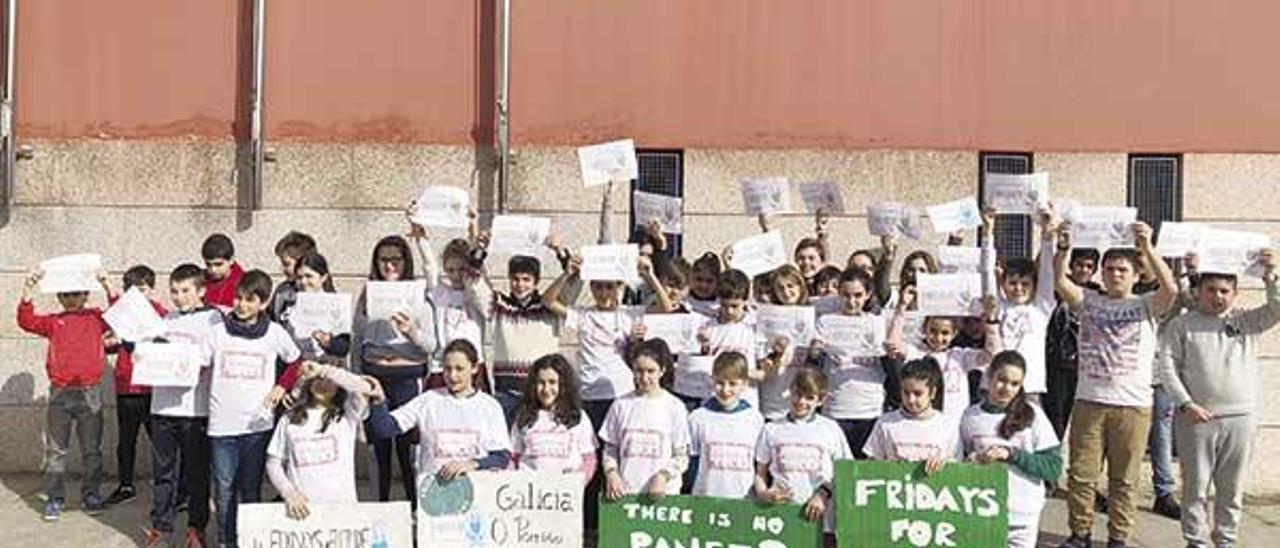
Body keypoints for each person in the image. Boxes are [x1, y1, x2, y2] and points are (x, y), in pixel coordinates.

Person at [1054, 221, 1178, 548]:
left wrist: (1148, 248)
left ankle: (1118, 538)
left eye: (1122, 269)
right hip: (1089, 402)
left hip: (1133, 406)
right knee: (1081, 475)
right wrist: (1064, 247)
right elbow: (1059, 280)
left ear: (1136, 275)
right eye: (1109, 269)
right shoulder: (1089, 300)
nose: (1115, 274)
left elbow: (1172, 290)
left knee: (1124, 480)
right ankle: (1080, 534)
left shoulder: (1146, 304)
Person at [1157, 250, 1279, 548]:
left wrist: (1270, 276)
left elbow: (1277, 308)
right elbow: (1167, 367)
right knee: (1196, 489)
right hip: (1197, 417)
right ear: (1200, 292)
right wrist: (1186, 404)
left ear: (1235, 293)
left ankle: (1226, 541)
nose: (1218, 296)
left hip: (1241, 418)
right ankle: (1196, 542)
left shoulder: (1246, 321)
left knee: (1231, 489)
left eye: (1225, 291)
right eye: (1211, 290)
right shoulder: (1182, 325)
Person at [206, 270, 303, 548]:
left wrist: (281, 386)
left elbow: (295, 361)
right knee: (224, 490)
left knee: (250, 489)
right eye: (238, 298)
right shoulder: (217, 332)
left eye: (250, 300)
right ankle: (226, 541)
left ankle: (249, 540)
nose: (242, 305)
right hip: (221, 426)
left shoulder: (274, 333)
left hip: (257, 426)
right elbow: (195, 361)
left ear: (263, 303)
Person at [17, 268, 111, 521]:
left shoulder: (97, 318)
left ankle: (91, 495)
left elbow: (120, 316)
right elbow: (26, 321)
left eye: (75, 293)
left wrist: (106, 284)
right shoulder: (53, 321)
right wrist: (28, 288)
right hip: (60, 394)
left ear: (85, 295)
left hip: (90, 391)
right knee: (56, 452)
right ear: (58, 297)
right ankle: (55, 499)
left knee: (92, 450)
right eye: (65, 294)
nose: (70, 298)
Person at [351, 235, 439, 503]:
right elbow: (358, 340)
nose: (390, 265)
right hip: (374, 378)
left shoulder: (419, 297)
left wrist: (411, 331)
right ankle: (381, 509)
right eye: (384, 259)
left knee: (408, 450)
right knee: (378, 448)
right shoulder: (368, 294)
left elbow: (431, 345)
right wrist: (357, 382)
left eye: (396, 259)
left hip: (407, 380)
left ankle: (416, 510)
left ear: (406, 262)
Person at [141, 264, 222, 548]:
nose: (178, 296)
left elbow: (211, 359)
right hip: (162, 408)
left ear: (201, 291)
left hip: (195, 410)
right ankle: (161, 527)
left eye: (185, 290)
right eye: (174, 291)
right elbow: (144, 353)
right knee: (163, 473)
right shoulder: (164, 319)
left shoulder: (214, 319)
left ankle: (196, 529)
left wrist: (188, 364)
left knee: (197, 474)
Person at [365, 339, 512, 486]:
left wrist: (472, 464)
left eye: (459, 369)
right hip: (433, 495)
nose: (452, 376)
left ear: (474, 368)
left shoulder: (489, 406)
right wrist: (379, 401)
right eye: (447, 369)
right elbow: (384, 429)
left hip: (476, 492)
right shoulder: (428, 400)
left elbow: (502, 457)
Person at [961, 350, 1062, 548]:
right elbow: (960, 462)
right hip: (982, 513)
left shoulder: (1034, 415)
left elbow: (1053, 467)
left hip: (1022, 516)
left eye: (1014, 384)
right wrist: (970, 463)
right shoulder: (970, 417)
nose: (1006, 388)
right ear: (989, 376)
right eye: (1002, 379)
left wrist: (1012, 454)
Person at [266, 362, 382, 520]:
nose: (323, 383)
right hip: (302, 511)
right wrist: (288, 493)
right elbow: (273, 463)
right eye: (317, 379)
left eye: (329, 380)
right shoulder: (289, 419)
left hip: (342, 510)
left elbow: (365, 387)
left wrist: (324, 370)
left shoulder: (348, 414)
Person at [754, 367, 851, 540]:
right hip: (781, 518)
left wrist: (823, 493)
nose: (801, 401)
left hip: (821, 519)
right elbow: (760, 473)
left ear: (821, 400)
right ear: (790, 392)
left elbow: (845, 472)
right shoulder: (772, 429)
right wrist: (763, 493)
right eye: (797, 394)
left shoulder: (830, 429)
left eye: (809, 397)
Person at [102, 265, 166, 506]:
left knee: (161, 441)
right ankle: (126, 484)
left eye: (142, 289)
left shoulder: (162, 314)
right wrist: (110, 341)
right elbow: (108, 344)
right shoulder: (122, 315)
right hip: (126, 387)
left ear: (152, 290)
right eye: (132, 291)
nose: (137, 295)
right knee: (126, 440)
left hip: (153, 388)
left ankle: (167, 484)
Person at [812, 268, 890, 458]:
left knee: (864, 471)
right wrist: (815, 351)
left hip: (869, 407)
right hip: (836, 407)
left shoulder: (877, 322)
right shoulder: (825, 321)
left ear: (868, 294)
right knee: (838, 469)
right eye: (846, 295)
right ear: (838, 293)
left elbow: (888, 361)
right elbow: (815, 362)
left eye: (858, 295)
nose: (852, 301)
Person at [600, 339, 692, 499]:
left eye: (651, 371)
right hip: (626, 494)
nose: (644, 377)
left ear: (662, 370)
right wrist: (611, 473)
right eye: (639, 370)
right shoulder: (620, 405)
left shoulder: (675, 407)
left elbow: (682, 455)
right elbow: (610, 449)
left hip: (663, 496)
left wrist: (664, 476)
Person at [688, 351, 764, 497]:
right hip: (705, 500)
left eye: (733, 384)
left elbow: (759, 465)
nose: (725, 390)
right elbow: (691, 464)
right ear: (712, 380)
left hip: (743, 501)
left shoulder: (755, 418)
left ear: (744, 384)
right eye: (720, 383)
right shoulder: (698, 417)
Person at [863, 357, 961, 468]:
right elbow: (871, 465)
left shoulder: (947, 425)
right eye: (906, 392)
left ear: (932, 393)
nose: (911, 399)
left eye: (918, 393)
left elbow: (957, 466)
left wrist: (943, 463)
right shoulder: (885, 423)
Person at [510, 354, 597, 476]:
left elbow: (589, 459)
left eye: (552, 382)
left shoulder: (578, 417)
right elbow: (514, 458)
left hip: (565, 490)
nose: (546, 389)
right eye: (541, 382)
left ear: (563, 385)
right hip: (530, 489)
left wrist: (577, 483)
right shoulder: (523, 417)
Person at [282, 252, 351, 363]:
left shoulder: (337, 304)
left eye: (309, 276)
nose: (303, 282)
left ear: (323, 277)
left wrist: (330, 343)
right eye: (299, 277)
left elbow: (346, 345)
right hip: (298, 367)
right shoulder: (289, 304)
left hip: (327, 367)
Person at [268, 231, 317, 323]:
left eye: (286, 264)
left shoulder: (323, 293)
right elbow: (272, 320)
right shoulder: (282, 290)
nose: (283, 269)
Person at [200, 233, 245, 310]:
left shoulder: (244, 283)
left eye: (218, 264)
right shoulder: (200, 278)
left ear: (231, 260)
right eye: (208, 265)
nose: (213, 270)